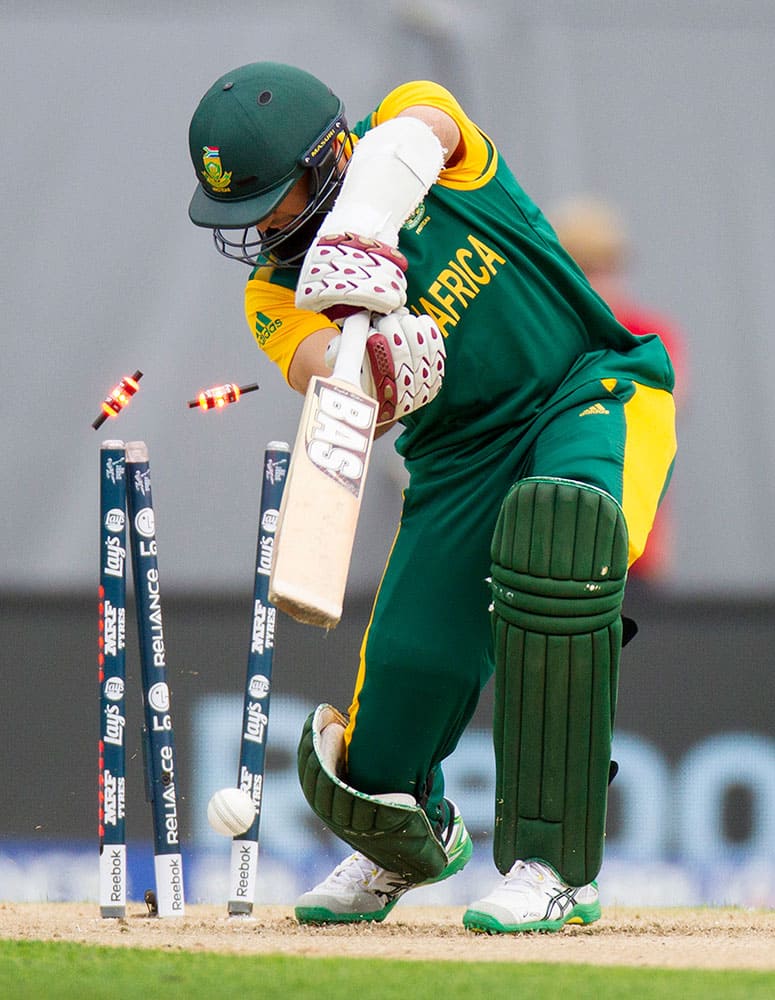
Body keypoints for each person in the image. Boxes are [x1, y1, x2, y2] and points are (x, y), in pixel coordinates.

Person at [187, 62, 677, 934]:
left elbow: (427, 130)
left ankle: (555, 865)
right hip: (456, 458)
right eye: (242, 213)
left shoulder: (413, 133)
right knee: (408, 670)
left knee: (555, 548)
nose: (259, 227)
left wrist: (365, 235)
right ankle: (402, 839)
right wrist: (365, 368)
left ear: (328, 157)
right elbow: (319, 378)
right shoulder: (273, 292)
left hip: (588, 389)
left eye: (271, 198)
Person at [549, 196, 687, 585]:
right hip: (546, 549)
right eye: (585, 268)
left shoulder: (648, 337)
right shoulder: (545, 343)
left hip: (632, 549)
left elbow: (665, 408)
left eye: (607, 268)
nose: (599, 282)